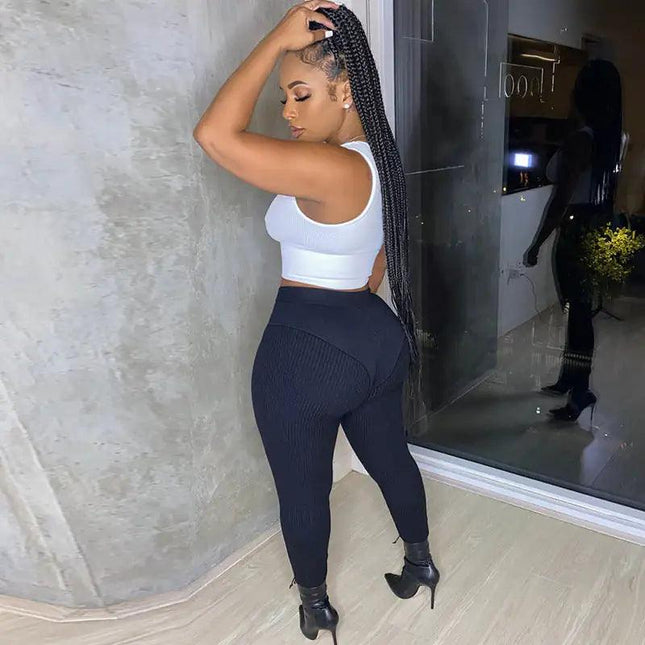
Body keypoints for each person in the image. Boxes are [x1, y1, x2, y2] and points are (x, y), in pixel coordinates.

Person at [193, 2, 439, 642]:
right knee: (390, 459)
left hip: (307, 348)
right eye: (285, 98)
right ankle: (421, 564)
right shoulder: (380, 161)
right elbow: (380, 256)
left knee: (303, 492)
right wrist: (351, 308)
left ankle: (316, 608)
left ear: (346, 89)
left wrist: (277, 38)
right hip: (374, 334)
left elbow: (215, 135)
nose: (287, 111)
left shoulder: (331, 168)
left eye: (300, 94)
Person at [523, 59, 623, 426]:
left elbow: (560, 200)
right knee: (581, 312)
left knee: (578, 314)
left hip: (576, 232)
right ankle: (573, 380)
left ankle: (579, 389)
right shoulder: (612, 138)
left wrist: (537, 244)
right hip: (597, 230)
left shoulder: (581, 139)